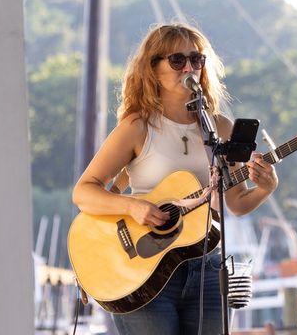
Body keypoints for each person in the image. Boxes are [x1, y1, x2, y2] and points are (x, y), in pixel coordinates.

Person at [73, 22, 278, 334]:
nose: (189, 67)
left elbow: (233, 204)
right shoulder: (138, 127)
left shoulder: (221, 128)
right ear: (153, 69)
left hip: (206, 266)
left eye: (197, 60)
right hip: (144, 270)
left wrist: (265, 188)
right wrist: (132, 207)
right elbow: (84, 192)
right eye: (177, 60)